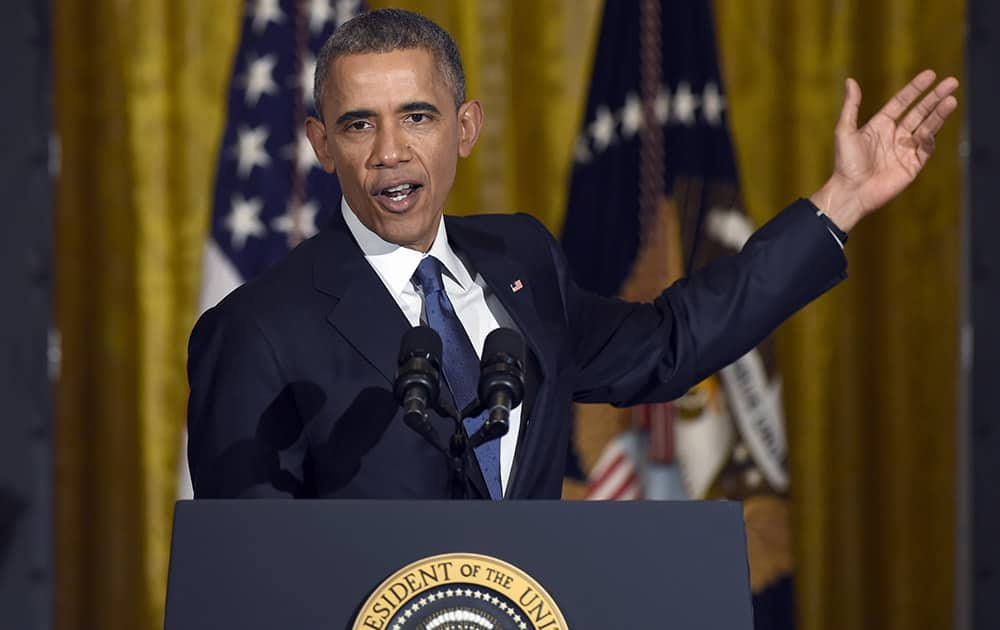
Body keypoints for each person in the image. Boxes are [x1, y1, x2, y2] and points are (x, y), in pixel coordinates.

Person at [186, 9, 958, 500]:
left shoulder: (522, 262)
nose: (389, 151)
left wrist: (843, 202)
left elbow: (668, 343)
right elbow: (255, 578)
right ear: (321, 143)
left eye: (416, 116)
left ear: (464, 129)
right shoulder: (256, 329)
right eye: (358, 125)